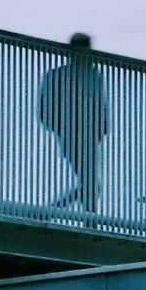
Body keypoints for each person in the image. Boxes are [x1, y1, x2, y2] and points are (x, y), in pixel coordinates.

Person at [39, 32, 109, 213]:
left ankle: (55, 211)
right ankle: (87, 220)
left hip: (87, 136)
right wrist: (64, 127)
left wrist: (99, 129)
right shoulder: (60, 76)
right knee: (91, 183)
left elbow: (100, 107)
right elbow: (45, 111)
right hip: (75, 135)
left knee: (91, 183)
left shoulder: (92, 75)